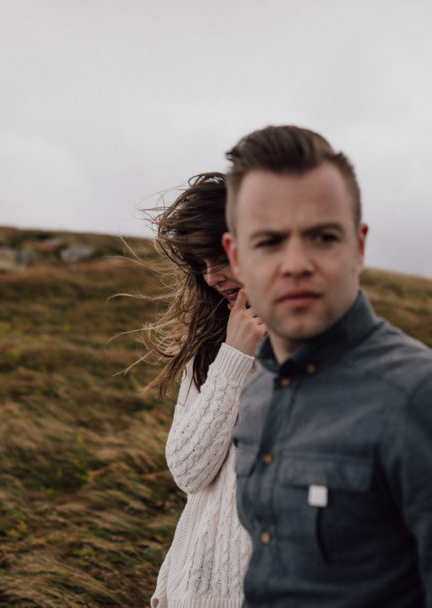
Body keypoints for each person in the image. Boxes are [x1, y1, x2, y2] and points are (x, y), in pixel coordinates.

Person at [221, 126, 432, 607]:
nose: (296, 262)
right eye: (270, 241)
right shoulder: (258, 396)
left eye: (323, 236)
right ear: (236, 258)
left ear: (359, 246)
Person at [145, 172, 266, 607]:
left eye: (220, 257)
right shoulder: (211, 351)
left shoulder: (325, 347)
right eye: (201, 264)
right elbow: (188, 471)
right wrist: (234, 357)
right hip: (196, 592)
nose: (212, 276)